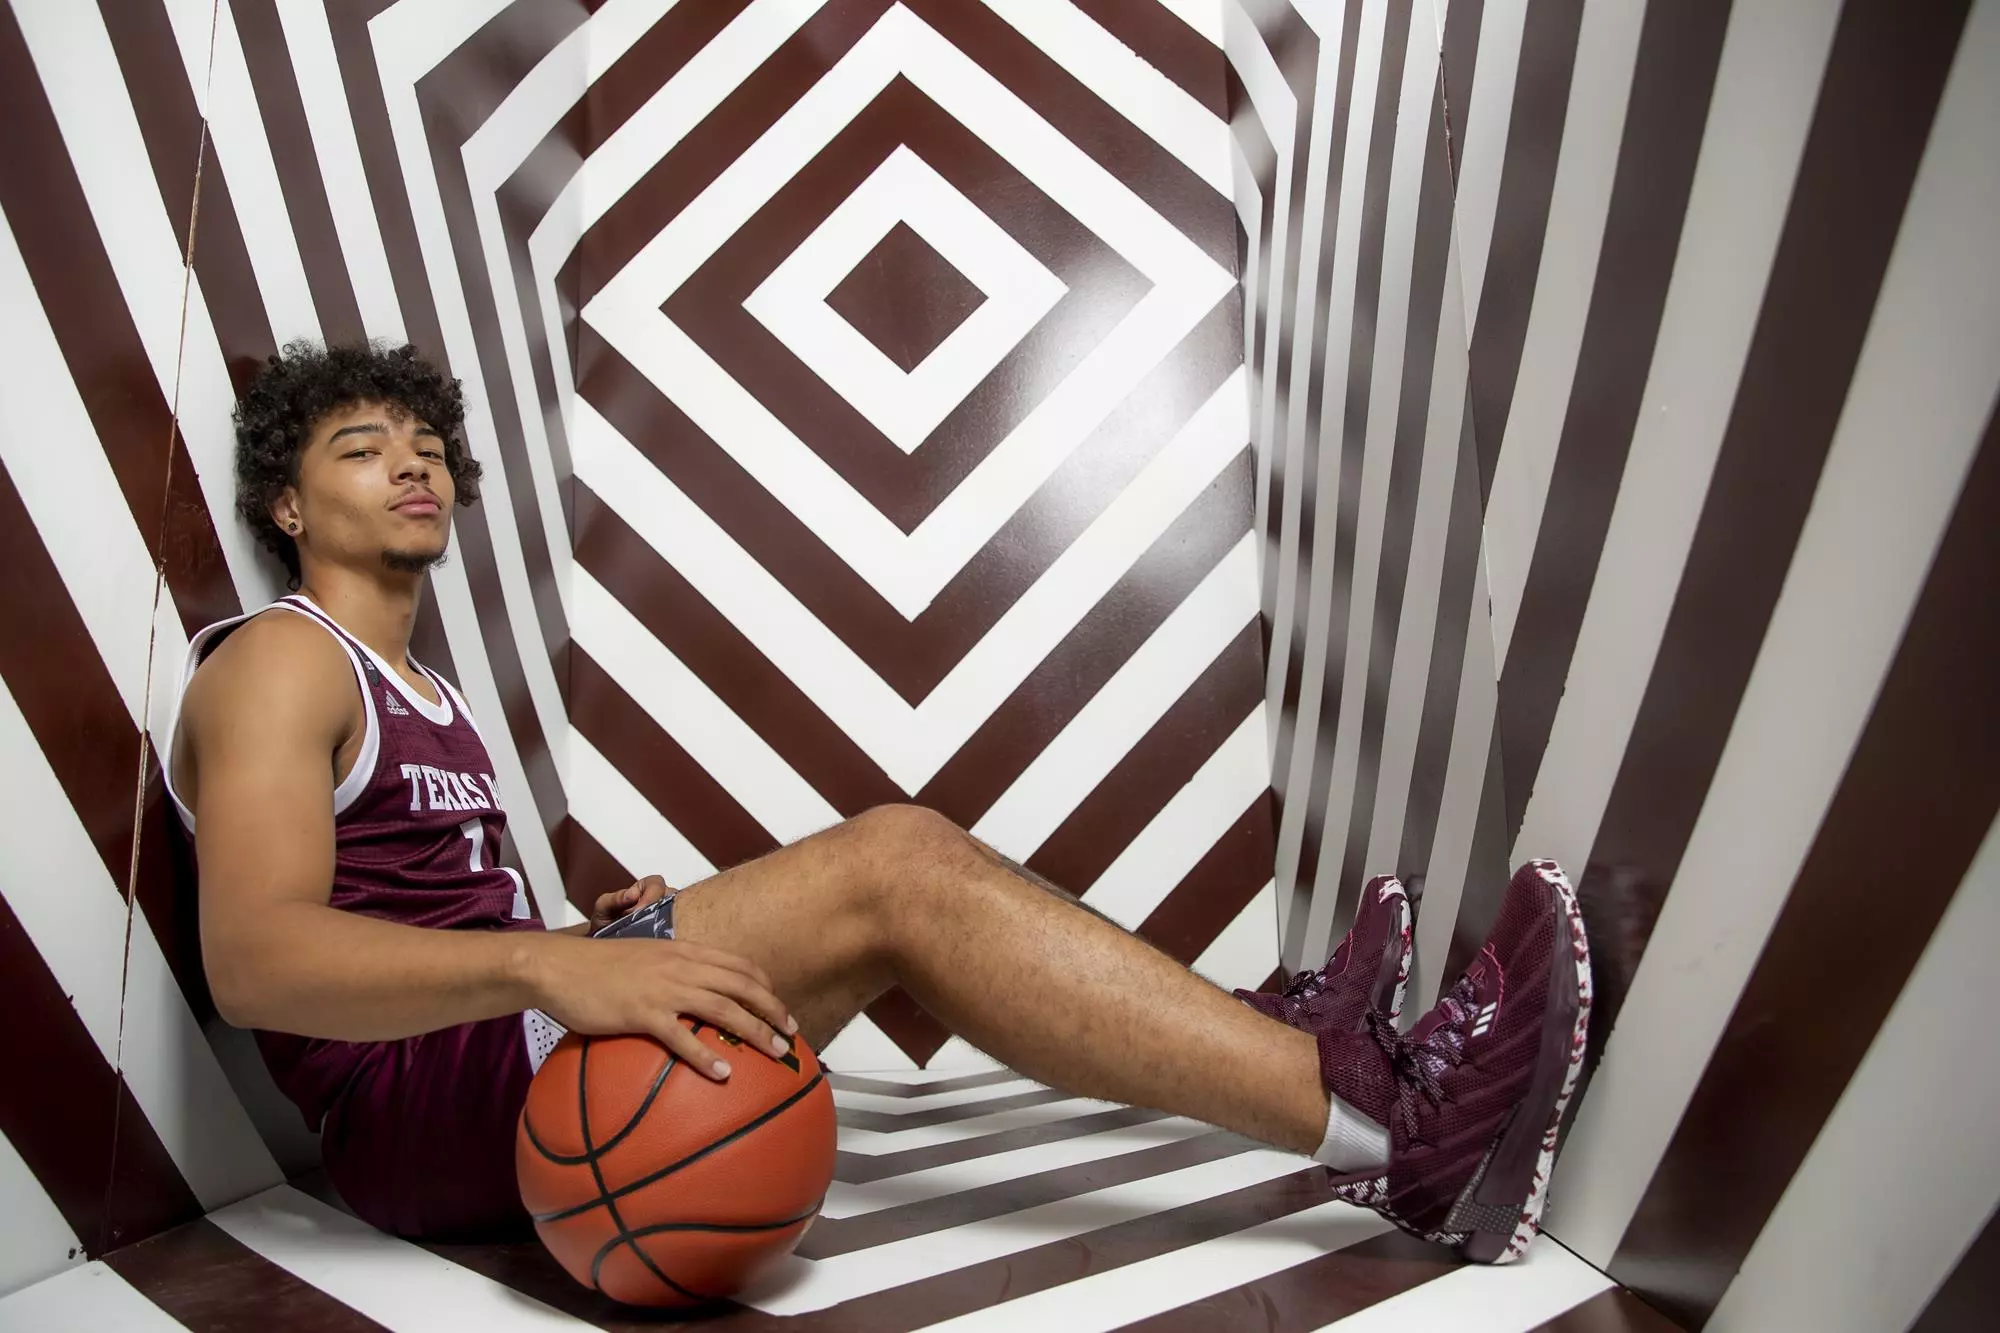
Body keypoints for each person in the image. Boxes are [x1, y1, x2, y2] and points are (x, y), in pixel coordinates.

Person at [166, 341, 1591, 1263]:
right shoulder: (281, 666)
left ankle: (1278, 1040)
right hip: (407, 1118)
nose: (411, 461)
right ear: (286, 507)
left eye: (425, 443)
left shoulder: (423, 690)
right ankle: (1402, 1133)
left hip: (475, 1047)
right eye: (360, 446)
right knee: (894, 869)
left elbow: (410, 917)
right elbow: (256, 961)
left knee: (900, 879)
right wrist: (545, 962)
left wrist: (575, 935)